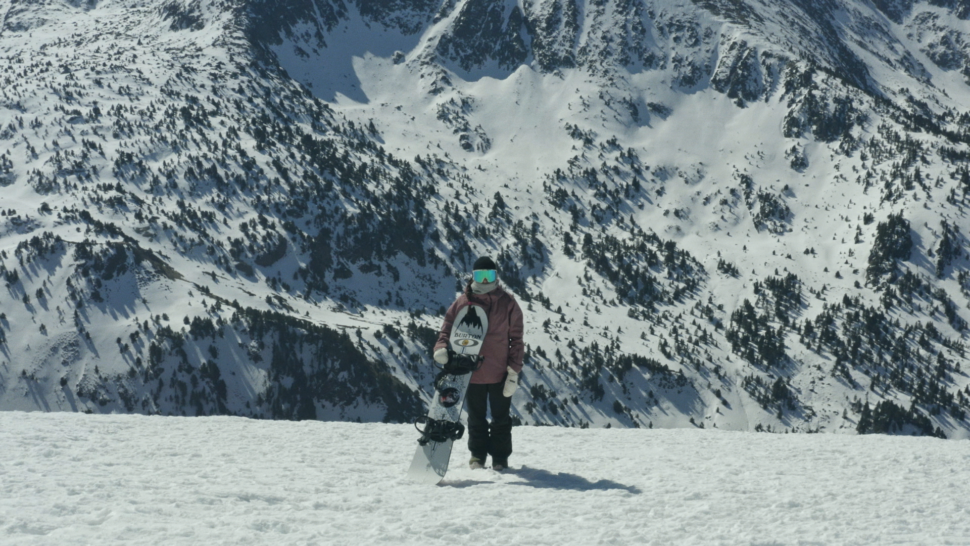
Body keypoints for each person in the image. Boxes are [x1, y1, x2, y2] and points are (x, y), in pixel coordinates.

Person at [433, 256, 524, 471]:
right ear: (473, 276)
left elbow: (516, 339)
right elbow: (447, 327)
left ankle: (500, 458)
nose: (484, 280)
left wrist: (513, 371)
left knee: (501, 418)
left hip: (500, 372)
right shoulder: (463, 302)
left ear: (496, 276)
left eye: (488, 275)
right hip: (470, 371)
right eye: (480, 275)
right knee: (476, 417)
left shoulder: (507, 302)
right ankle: (478, 455)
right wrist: (441, 347)